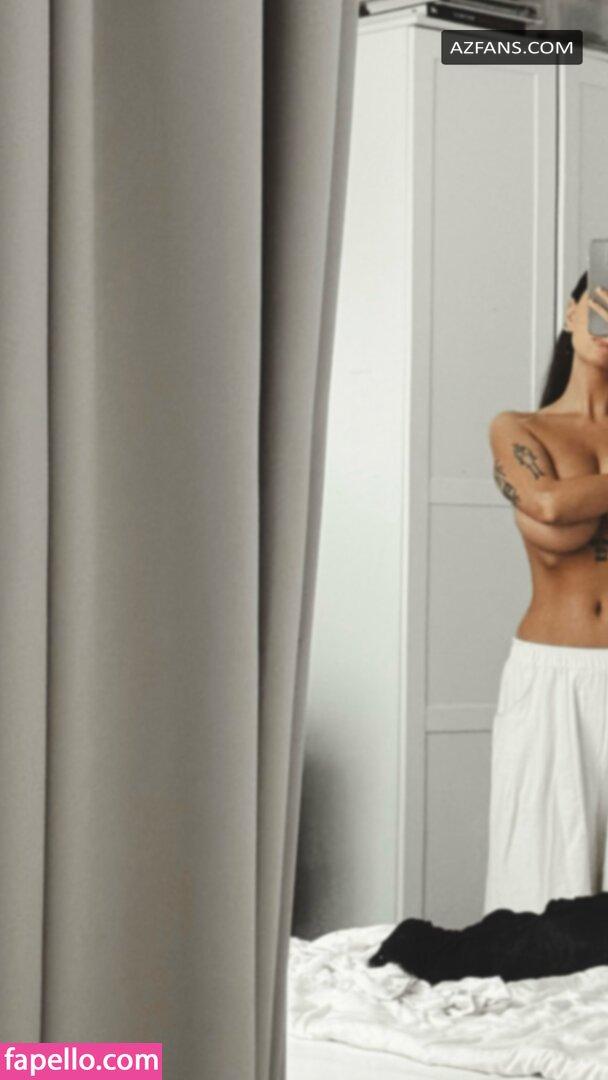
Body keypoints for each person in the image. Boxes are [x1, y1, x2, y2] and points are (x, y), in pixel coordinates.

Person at [484, 271, 608, 914]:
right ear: (570, 314)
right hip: (553, 678)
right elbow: (549, 503)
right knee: (539, 889)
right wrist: (566, 497)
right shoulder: (519, 428)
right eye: (602, 302)